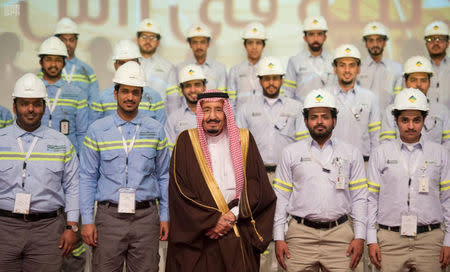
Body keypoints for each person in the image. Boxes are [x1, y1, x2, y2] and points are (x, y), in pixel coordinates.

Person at [166, 89, 277, 272]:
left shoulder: (244, 139)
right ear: (200, 114)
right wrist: (212, 221)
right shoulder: (186, 141)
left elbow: (256, 184)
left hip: (236, 228)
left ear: (226, 113)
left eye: (218, 110)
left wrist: (232, 215)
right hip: (200, 236)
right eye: (207, 110)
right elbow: (179, 191)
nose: (212, 116)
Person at [79, 61, 169, 272]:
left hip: (146, 218)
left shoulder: (155, 130)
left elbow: (164, 175)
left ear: (141, 95)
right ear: (115, 94)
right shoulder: (97, 130)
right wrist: (87, 220)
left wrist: (165, 216)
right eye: (125, 91)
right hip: (108, 218)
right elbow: (87, 177)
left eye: (135, 92)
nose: (130, 97)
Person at [274, 88, 367, 271]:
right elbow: (281, 198)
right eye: (314, 117)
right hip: (300, 237)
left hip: (340, 236)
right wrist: (278, 237)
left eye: (324, 116)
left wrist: (360, 236)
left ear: (334, 120)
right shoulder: (290, 153)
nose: (319, 122)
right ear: (306, 121)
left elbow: (359, 198)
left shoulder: (352, 153)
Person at [0, 73, 79, 271]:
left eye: (36, 104)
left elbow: (73, 186)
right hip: (4, 228)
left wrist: (72, 227)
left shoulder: (61, 143)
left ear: (44, 107)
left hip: (48, 230)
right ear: (14, 106)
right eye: (25, 103)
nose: (30, 109)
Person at [367, 88, 450, 271]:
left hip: (430, 240)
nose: (411, 126)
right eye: (405, 120)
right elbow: (371, 199)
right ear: (395, 120)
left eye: (416, 120)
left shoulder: (440, 153)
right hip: (389, 241)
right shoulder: (380, 153)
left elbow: (447, 198)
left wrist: (448, 240)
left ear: (424, 120)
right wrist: (372, 239)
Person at [295, 44, 381, 161]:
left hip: (363, 161)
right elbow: (307, 133)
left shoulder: (370, 98)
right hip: (328, 161)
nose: (347, 70)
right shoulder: (322, 97)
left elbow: (376, 137)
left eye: (352, 65)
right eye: (342, 65)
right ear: (335, 69)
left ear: (358, 69)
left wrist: (375, 163)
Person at [237, 56, 302, 177]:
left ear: (282, 80)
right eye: (267, 79)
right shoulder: (246, 109)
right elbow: (239, 146)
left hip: (287, 174)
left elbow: (303, 144)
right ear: (260, 81)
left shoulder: (296, 108)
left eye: (275, 78)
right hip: (255, 175)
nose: (271, 83)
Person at [380, 56, 450, 150]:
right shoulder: (391, 111)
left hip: (434, 163)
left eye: (423, 80)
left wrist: (435, 160)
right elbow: (387, 145)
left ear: (429, 82)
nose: (418, 84)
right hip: (400, 164)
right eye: (413, 80)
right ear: (405, 82)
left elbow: (448, 144)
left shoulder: (442, 111)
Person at [89, 39, 166, 125]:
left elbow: (161, 132)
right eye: (122, 63)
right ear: (115, 66)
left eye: (131, 62)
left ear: (139, 64)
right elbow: (94, 132)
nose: (127, 67)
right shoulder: (101, 99)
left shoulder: (154, 98)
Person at [38, 36, 88, 154]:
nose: (53, 64)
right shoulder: (32, 90)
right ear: (41, 62)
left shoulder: (77, 94)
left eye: (58, 60)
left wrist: (81, 161)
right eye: (49, 59)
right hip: (37, 156)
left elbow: (82, 133)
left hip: (68, 158)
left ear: (64, 63)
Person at [165, 24, 227, 115]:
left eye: (202, 42)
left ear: (208, 43)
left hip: (212, 118)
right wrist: (176, 119)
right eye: (195, 42)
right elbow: (174, 99)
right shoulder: (179, 68)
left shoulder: (219, 68)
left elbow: (223, 99)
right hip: (186, 115)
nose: (199, 46)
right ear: (190, 44)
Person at [284, 16, 334, 103]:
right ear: (305, 38)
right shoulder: (294, 61)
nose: (315, 39)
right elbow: (288, 92)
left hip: (327, 112)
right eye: (311, 34)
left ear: (325, 37)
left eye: (319, 34)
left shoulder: (334, 60)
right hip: (301, 112)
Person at [358, 22, 402, 111]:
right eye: (371, 40)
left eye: (379, 40)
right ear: (365, 43)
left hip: (389, 121)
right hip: (364, 121)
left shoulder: (397, 68)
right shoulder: (358, 68)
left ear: (385, 42)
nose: (375, 44)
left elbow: (400, 99)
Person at [53, 17, 99, 103]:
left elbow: (94, 101)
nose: (67, 44)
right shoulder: (49, 69)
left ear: (76, 41)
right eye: (63, 40)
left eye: (71, 40)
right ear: (57, 40)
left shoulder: (88, 70)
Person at [164, 64, 206, 150]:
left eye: (197, 85)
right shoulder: (173, 119)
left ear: (204, 87)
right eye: (188, 86)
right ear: (182, 89)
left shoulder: (213, 116)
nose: (193, 90)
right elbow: (170, 152)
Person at [228, 22, 266, 111]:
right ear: (245, 45)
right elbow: (231, 101)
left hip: (264, 120)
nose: (254, 47)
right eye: (250, 43)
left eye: (258, 43)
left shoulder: (269, 70)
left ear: (263, 45)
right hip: (240, 121)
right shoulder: (235, 70)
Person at [136, 18, 174, 99]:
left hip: (159, 111)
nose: (148, 41)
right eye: (144, 37)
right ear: (137, 39)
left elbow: (173, 98)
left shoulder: (168, 67)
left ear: (158, 42)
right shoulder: (129, 64)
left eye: (152, 37)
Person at [423, 21, 449, 108]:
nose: (435, 43)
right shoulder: (419, 68)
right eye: (430, 39)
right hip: (425, 120)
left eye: (440, 39)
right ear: (426, 44)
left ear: (448, 43)